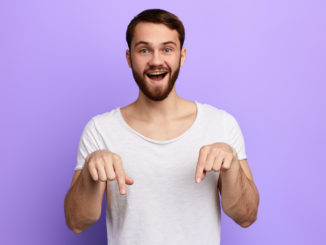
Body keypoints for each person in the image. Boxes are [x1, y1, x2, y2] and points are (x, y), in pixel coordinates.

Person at [64, 8, 259, 245]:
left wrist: (232, 167)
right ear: (129, 58)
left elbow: (247, 216)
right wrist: (90, 173)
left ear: (182, 56)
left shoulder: (221, 125)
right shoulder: (100, 130)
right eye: (144, 50)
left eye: (167, 49)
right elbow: (76, 222)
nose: (156, 61)